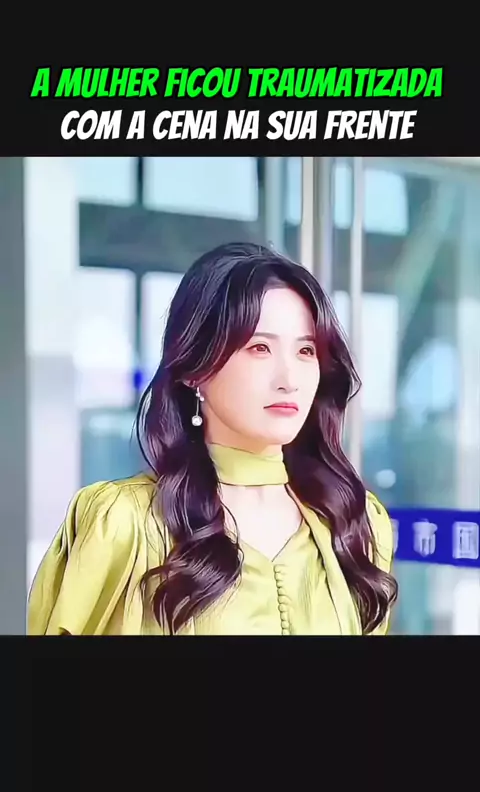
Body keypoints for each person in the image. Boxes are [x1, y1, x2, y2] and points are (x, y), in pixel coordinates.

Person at [28, 242, 398, 636]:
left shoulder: (355, 524)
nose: (289, 379)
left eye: (306, 350)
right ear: (195, 369)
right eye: (259, 348)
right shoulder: (124, 525)